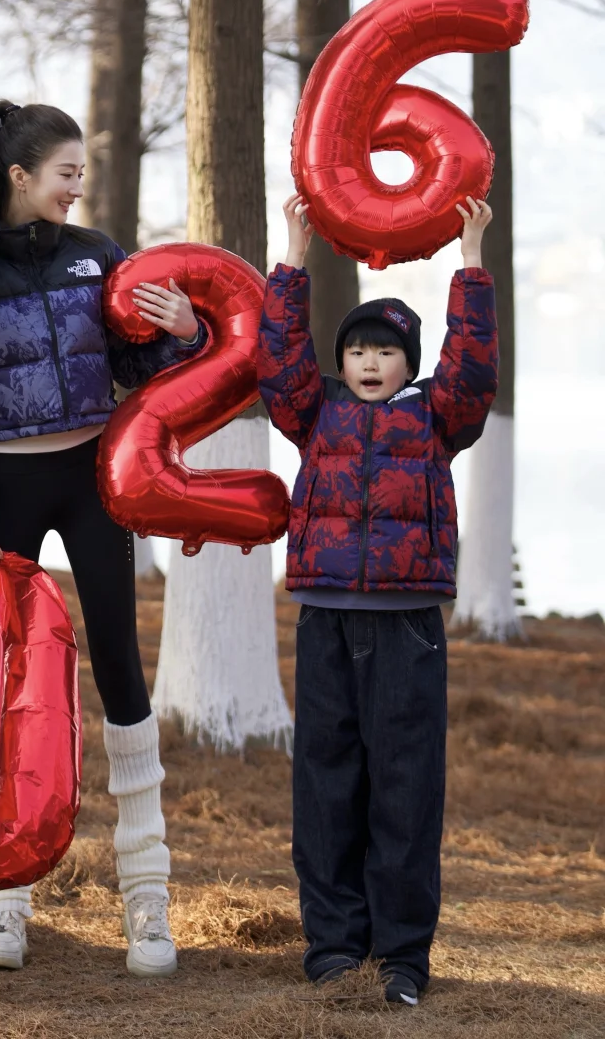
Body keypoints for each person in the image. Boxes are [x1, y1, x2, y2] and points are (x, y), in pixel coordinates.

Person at [0, 101, 205, 978]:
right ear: (19, 176)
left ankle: (147, 901)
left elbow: (141, 372)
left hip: (89, 483)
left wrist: (186, 335)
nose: (78, 188)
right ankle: (3, 903)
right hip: (0, 493)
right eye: (66, 173)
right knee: (2, 675)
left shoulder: (99, 256)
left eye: (81, 173)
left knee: (119, 663)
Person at [257, 192, 499, 1008]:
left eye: (383, 352)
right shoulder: (314, 414)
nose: (367, 363)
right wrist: (292, 255)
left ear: (408, 362)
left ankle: (401, 958)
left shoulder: (438, 418)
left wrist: (470, 262)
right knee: (326, 785)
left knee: (404, 786)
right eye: (356, 349)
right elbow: (278, 362)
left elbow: (473, 368)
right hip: (326, 618)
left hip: (408, 630)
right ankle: (332, 946)